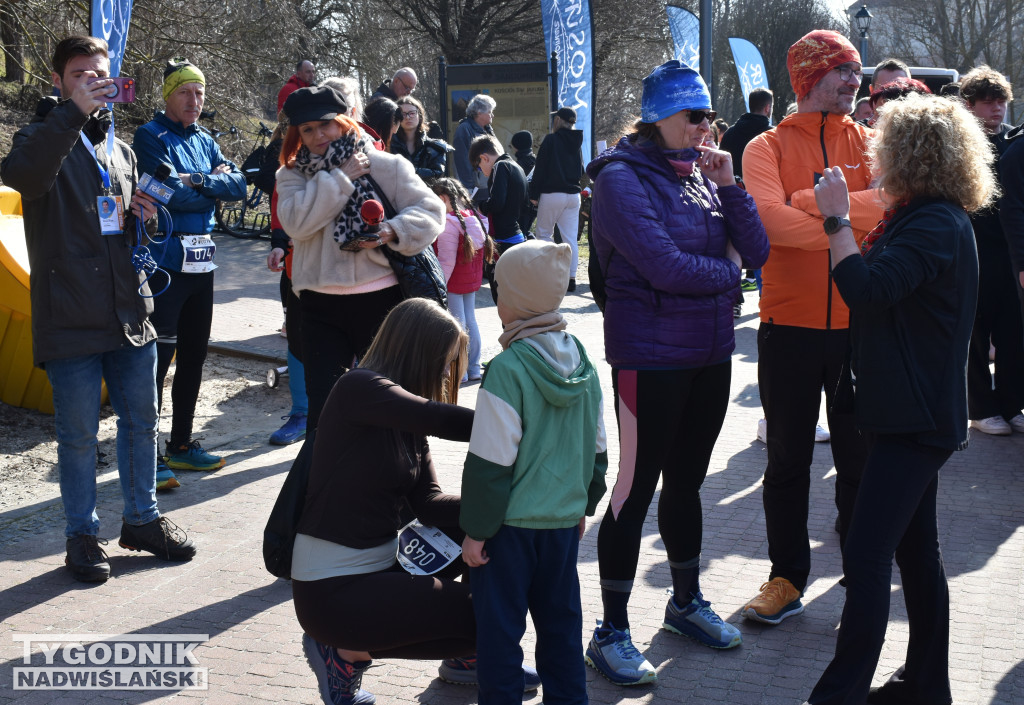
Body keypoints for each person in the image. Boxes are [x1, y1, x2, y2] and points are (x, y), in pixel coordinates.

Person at [584, 59, 770, 686]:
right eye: (694, 117)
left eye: (708, 117)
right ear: (661, 118)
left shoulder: (703, 174)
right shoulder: (619, 178)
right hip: (649, 358)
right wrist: (731, 276)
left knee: (687, 483)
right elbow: (664, 266)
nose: (704, 128)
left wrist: (733, 184)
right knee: (634, 491)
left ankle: (684, 602)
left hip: (710, 353)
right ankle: (610, 629)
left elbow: (760, 250)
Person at [806, 92, 992, 705]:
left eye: (882, 146)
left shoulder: (935, 221)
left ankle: (841, 694)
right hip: (910, 412)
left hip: (915, 418)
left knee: (865, 557)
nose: (873, 157)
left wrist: (835, 218)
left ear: (911, 155)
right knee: (916, 554)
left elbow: (865, 290)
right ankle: (925, 686)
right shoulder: (923, 216)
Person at [1, 35, 196, 581]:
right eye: (80, 73)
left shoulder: (121, 147)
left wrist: (141, 215)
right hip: (69, 315)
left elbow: (110, 220)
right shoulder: (42, 135)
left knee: (142, 421)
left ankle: (142, 520)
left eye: (100, 73)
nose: (92, 81)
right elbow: (22, 176)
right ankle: (82, 536)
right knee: (79, 434)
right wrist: (71, 115)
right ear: (61, 81)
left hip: (128, 310)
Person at [741, 30, 880, 625]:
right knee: (787, 462)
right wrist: (843, 219)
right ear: (806, 78)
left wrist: (817, 208)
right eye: (842, 71)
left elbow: (894, 206)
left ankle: (861, 572)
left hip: (860, 326)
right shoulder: (764, 147)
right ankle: (787, 578)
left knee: (860, 462)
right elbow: (769, 226)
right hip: (786, 328)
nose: (855, 82)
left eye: (856, 71)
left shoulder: (876, 143)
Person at [460, 240, 607, 704]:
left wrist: (476, 531)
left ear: (515, 299)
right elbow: (598, 448)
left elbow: (490, 461)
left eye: (498, 288)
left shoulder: (506, 369)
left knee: (500, 636)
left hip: (508, 531)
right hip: (563, 525)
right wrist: (585, 503)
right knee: (562, 628)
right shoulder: (582, 361)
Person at [275, 86, 444, 433]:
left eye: (326, 125)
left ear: (344, 122)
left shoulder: (387, 165)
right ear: (297, 135)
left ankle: (398, 481)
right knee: (324, 412)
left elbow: (432, 212)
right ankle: (322, 485)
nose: (318, 135)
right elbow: (296, 224)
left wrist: (390, 231)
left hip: (380, 302)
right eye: (307, 130)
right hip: (318, 305)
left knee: (387, 403)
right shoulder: (290, 175)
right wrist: (341, 178)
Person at [132, 59, 246, 477]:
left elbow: (238, 186)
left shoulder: (205, 137)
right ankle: (148, 456)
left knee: (194, 356)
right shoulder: (148, 135)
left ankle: (180, 443)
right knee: (158, 362)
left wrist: (195, 181)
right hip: (166, 261)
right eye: (185, 92)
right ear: (168, 95)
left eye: (199, 93)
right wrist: (207, 186)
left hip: (204, 263)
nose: (193, 100)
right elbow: (167, 196)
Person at [958, 67, 1024, 435]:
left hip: (1009, 252)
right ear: (970, 105)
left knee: (1014, 331)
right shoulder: (958, 146)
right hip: (972, 249)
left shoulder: (1013, 143)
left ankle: (1012, 404)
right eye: (988, 102)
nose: (996, 109)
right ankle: (981, 407)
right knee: (977, 333)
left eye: (1001, 101)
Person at [262, 112, 309, 446]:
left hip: (345, 275)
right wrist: (278, 244)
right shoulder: (290, 166)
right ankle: (302, 412)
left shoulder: (363, 156)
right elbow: (280, 209)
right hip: (299, 271)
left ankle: (341, 412)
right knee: (297, 336)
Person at [431, 178, 492, 383]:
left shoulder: (449, 223)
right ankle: (473, 368)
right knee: (470, 320)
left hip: (453, 281)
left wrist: (438, 284)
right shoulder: (474, 218)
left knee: (457, 323)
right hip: (470, 281)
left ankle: (460, 371)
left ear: (442, 198)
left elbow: (446, 261)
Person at [529, 107, 584, 292]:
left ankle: (547, 275)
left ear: (558, 120)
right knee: (570, 239)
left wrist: (533, 195)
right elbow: (581, 171)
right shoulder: (577, 141)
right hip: (573, 195)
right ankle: (571, 279)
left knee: (544, 234)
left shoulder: (551, 140)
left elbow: (540, 168)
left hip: (552, 194)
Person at [468, 135, 528, 302]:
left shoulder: (499, 167)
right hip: (516, 236)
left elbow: (497, 202)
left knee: (502, 296)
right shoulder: (516, 166)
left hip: (503, 240)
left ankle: (509, 328)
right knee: (516, 294)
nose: (482, 172)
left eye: (479, 167)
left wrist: (480, 206)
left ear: (484, 158)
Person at [391, 95, 449, 182]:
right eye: (403, 114)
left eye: (412, 113)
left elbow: (437, 174)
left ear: (419, 115)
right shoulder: (389, 144)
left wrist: (407, 171)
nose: (407, 117)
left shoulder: (435, 147)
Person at [720, 87, 773, 181]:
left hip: (733, 191)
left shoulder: (730, 133)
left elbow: (721, 165)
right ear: (767, 108)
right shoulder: (772, 135)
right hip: (763, 191)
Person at [454, 94, 496, 202]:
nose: (492, 115)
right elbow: (462, 160)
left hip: (489, 184)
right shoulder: (464, 130)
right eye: (490, 112)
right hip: (475, 187)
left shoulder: (488, 129)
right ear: (479, 112)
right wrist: (468, 188)